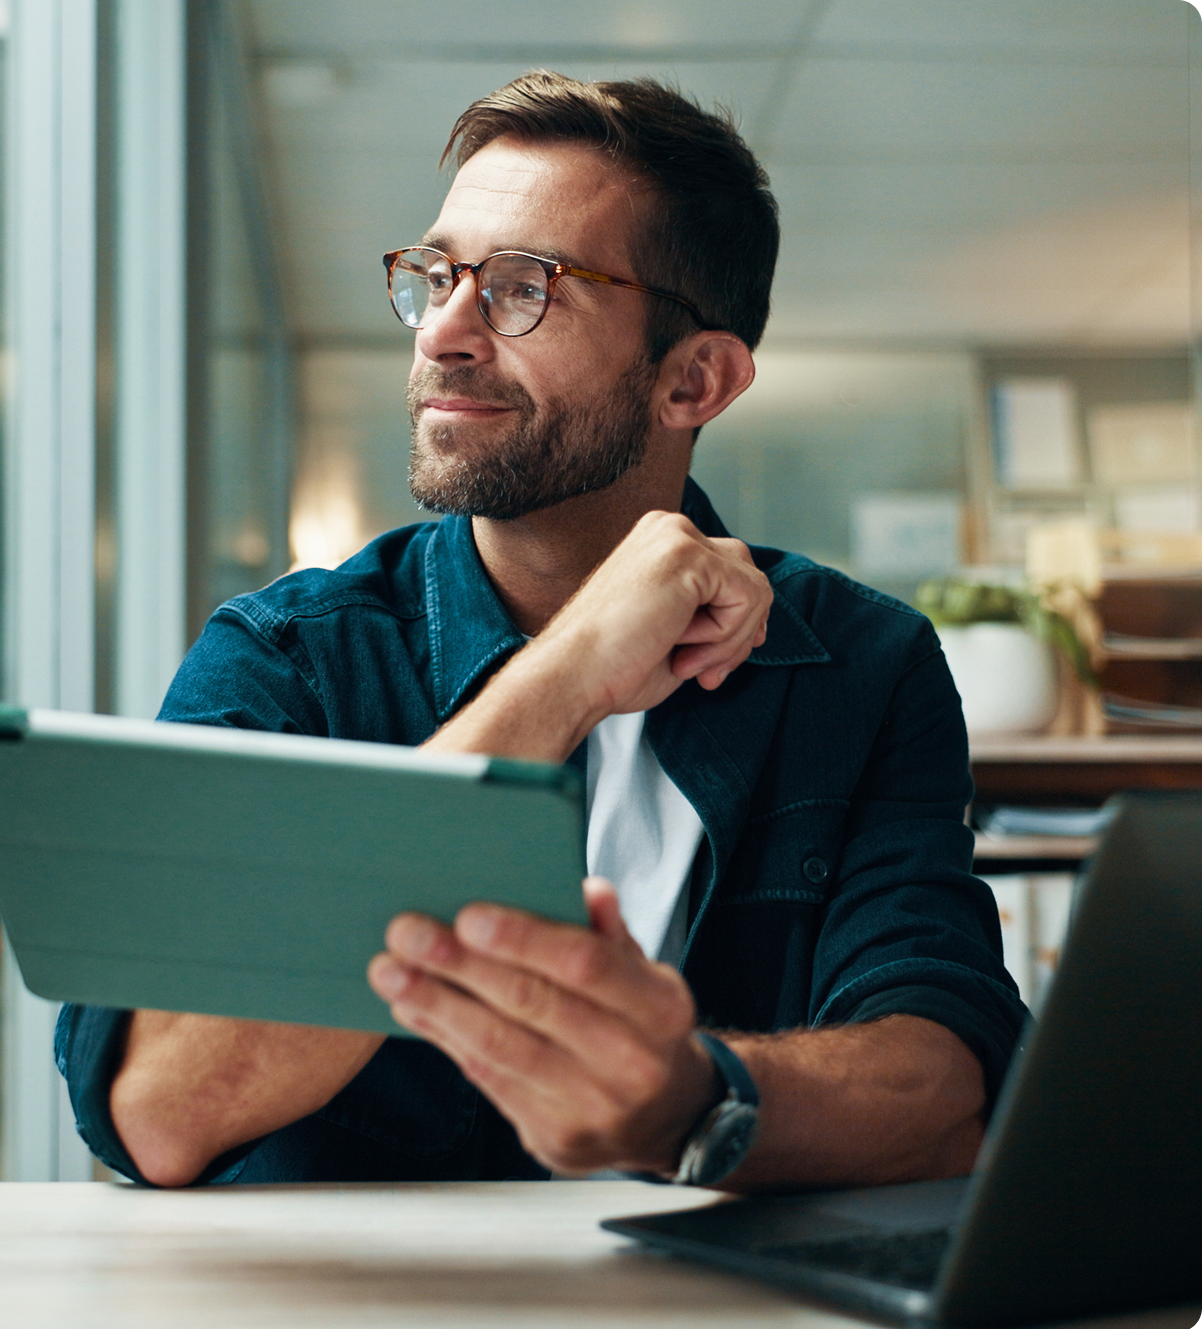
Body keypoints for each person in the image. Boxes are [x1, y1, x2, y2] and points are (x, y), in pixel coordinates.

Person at [57, 71, 1026, 1192]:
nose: (446, 335)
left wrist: (684, 1099)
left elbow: (946, 1088)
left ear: (693, 380)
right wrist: (559, 679)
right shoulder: (290, 658)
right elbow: (153, 1110)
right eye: (435, 276)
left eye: (526, 288)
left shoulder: (861, 664)